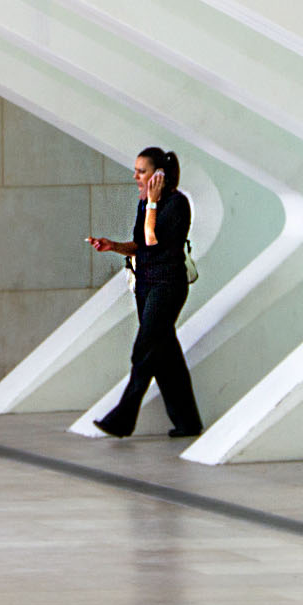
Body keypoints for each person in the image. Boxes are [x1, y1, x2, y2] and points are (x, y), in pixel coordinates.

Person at [86, 146, 203, 438]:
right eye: (136, 170)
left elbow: (153, 242)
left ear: (158, 174)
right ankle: (187, 422)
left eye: (142, 171)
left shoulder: (177, 204)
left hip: (167, 286)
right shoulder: (144, 204)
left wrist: (151, 203)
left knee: (145, 349)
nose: (136, 176)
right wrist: (112, 245)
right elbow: (139, 244)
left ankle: (123, 417)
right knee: (165, 356)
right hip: (146, 284)